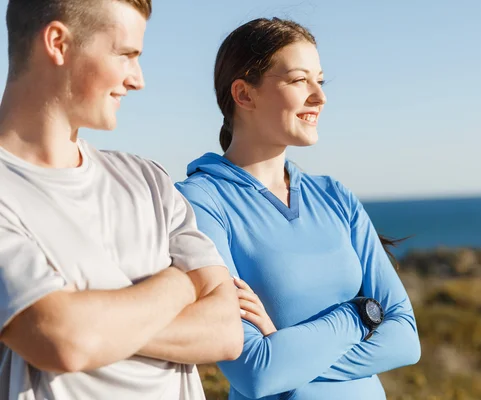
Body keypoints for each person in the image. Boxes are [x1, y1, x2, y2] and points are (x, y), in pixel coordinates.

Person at [0, 1, 243, 399]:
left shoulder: (149, 181)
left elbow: (227, 331)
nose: (138, 80)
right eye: (126, 55)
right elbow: (62, 340)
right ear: (58, 43)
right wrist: (181, 284)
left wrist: (98, 327)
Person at [176, 18, 421, 400]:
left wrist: (285, 350)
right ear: (244, 95)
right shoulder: (200, 201)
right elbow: (254, 372)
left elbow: (406, 338)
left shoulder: (335, 196)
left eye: (319, 81)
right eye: (298, 80)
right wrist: (358, 315)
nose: (319, 97)